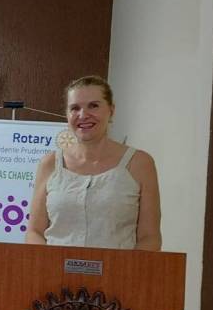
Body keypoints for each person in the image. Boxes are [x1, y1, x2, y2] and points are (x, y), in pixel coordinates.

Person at [25, 75, 162, 250]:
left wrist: (125, 268)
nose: (83, 115)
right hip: (55, 267)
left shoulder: (140, 163)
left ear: (111, 110)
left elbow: (149, 238)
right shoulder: (50, 163)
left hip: (118, 268)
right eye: (75, 108)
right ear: (67, 114)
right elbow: (34, 232)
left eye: (94, 106)